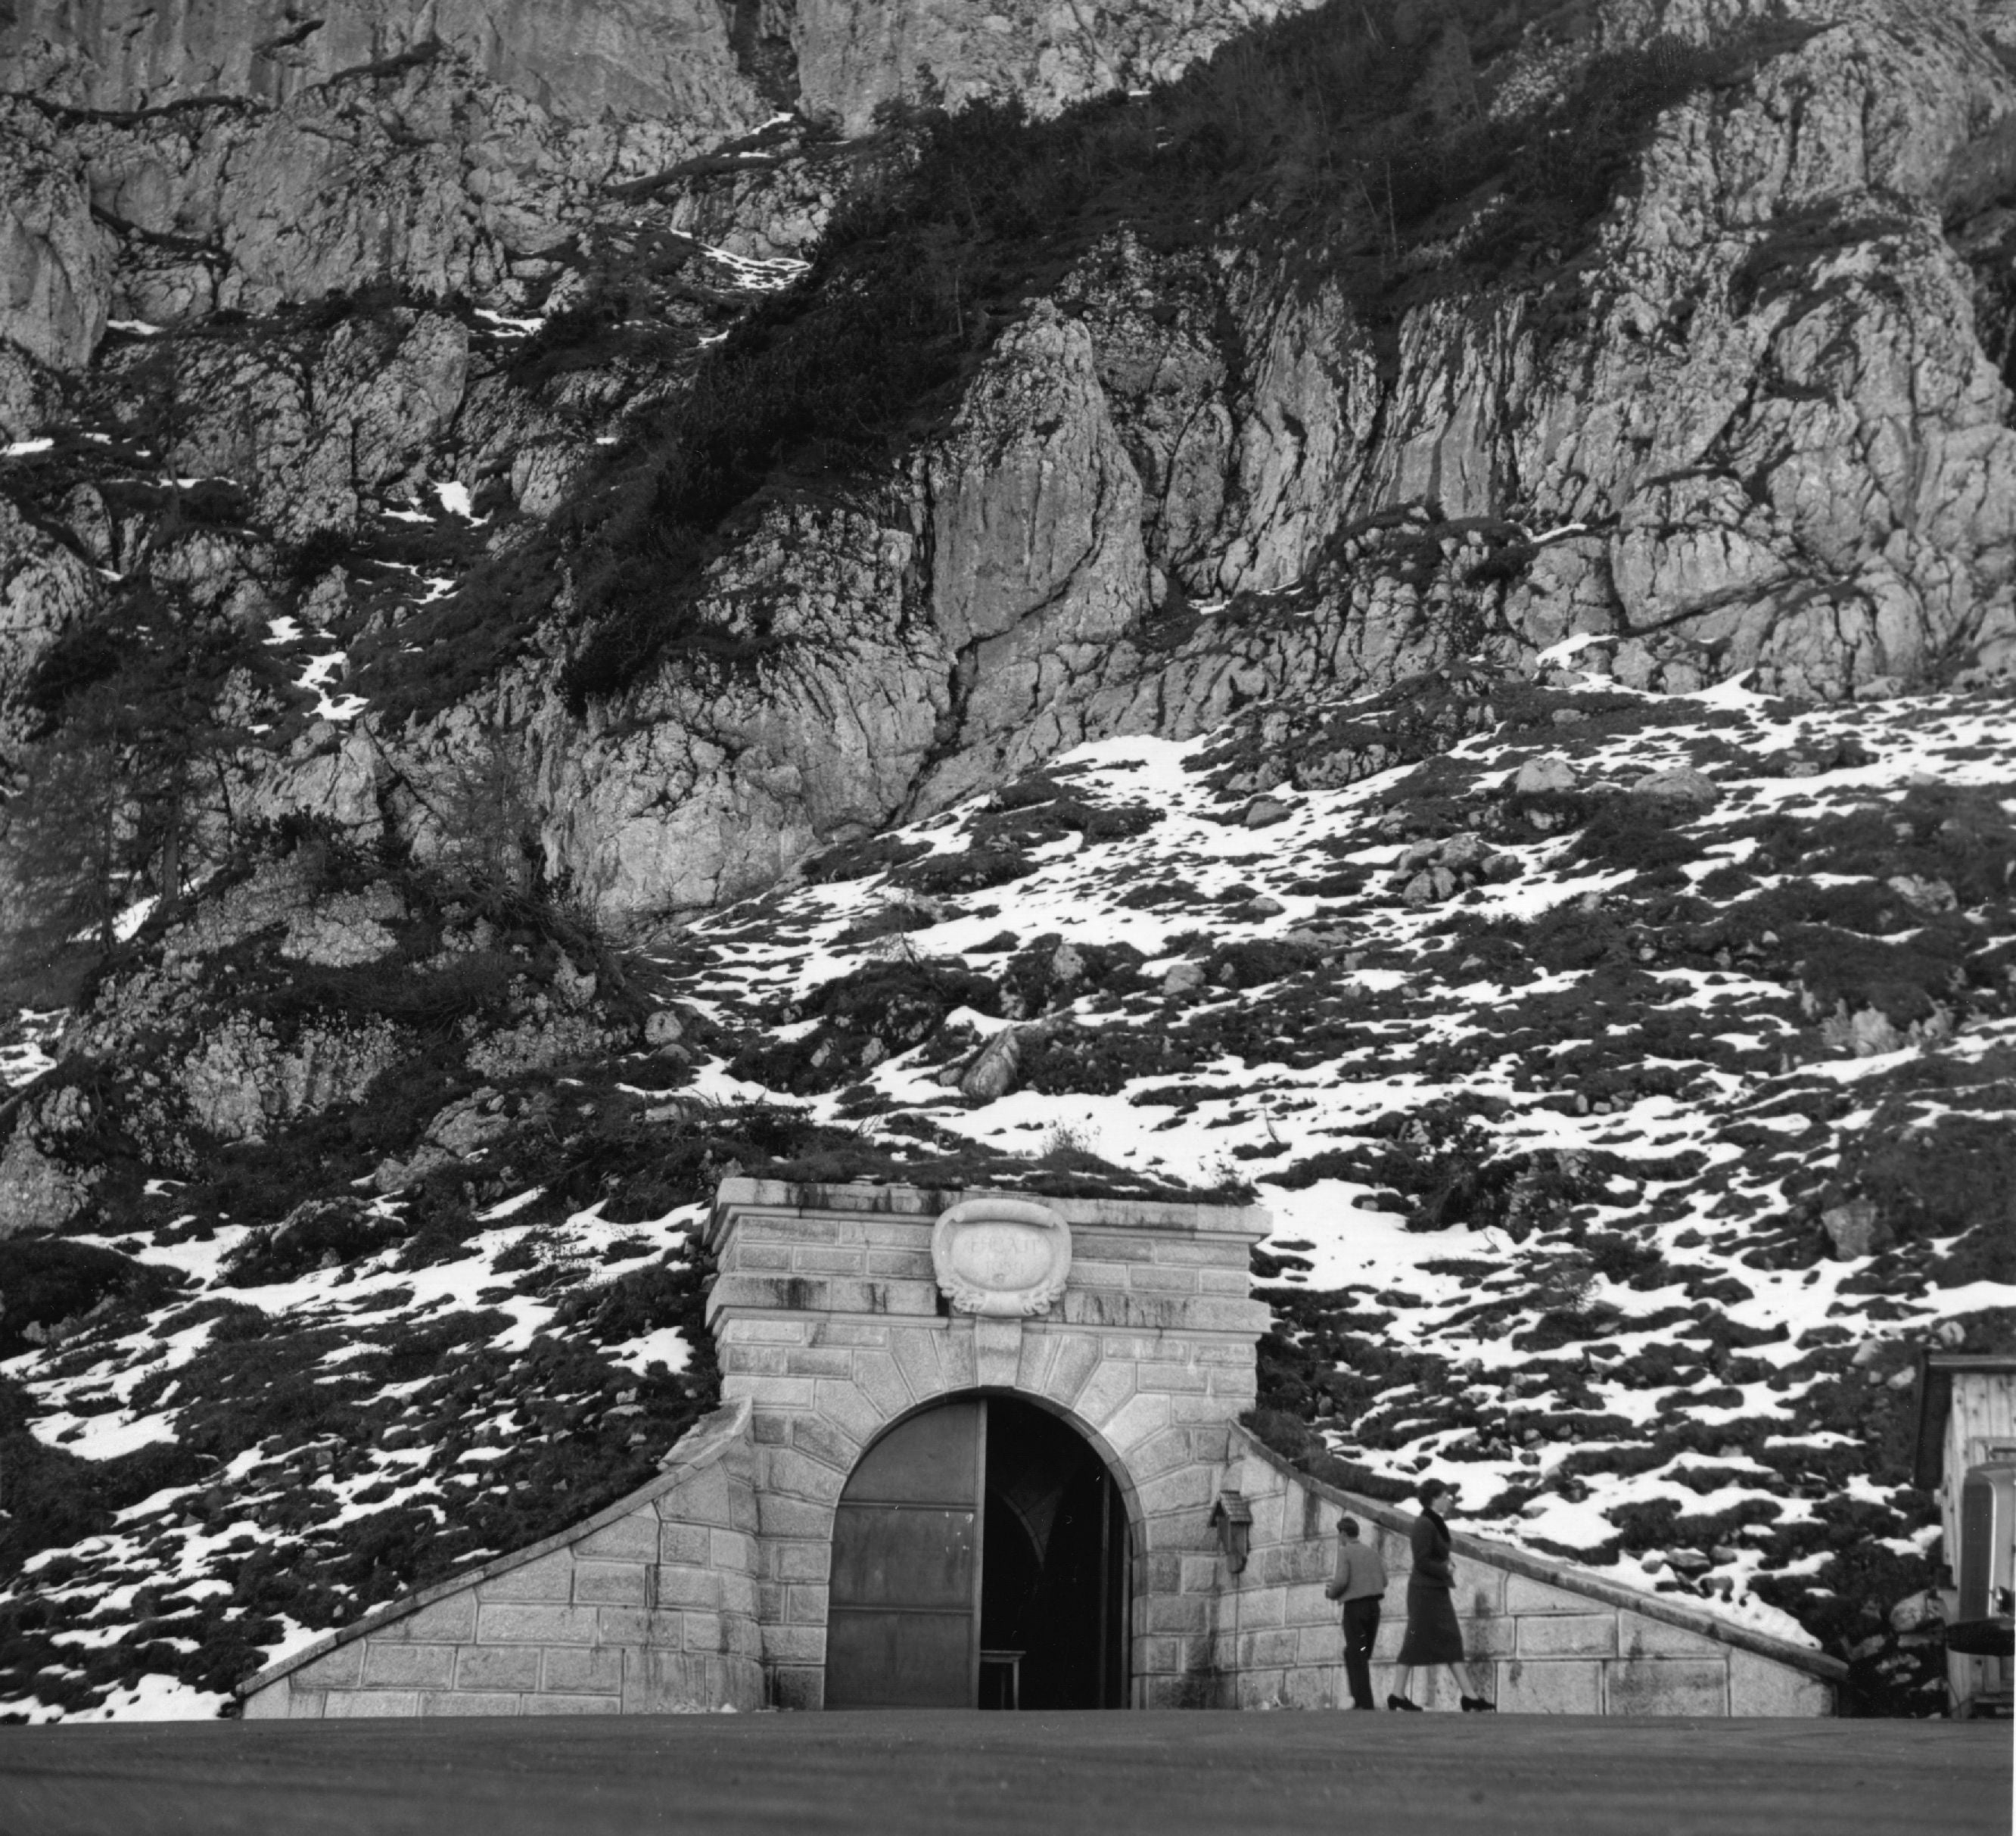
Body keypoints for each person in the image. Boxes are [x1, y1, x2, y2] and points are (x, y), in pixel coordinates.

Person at [1389, 1478, 1494, 1712]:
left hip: (1435, 1590)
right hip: (1425, 1591)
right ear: (1434, 1498)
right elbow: (1422, 1559)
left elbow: (1433, 1555)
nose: (1449, 1500)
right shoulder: (1424, 1523)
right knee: (1416, 1641)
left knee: (1450, 1640)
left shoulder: (1434, 1522)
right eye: (1446, 1496)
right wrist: (1443, 1568)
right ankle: (1397, 1695)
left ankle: (1469, 1696)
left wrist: (1445, 1563)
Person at [1324, 1514, 1387, 1710]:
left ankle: (1364, 1702)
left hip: (1355, 1608)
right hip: (1374, 1608)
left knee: (1356, 1653)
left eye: (1339, 1535)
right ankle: (1359, 1698)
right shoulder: (1372, 1553)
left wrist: (1331, 1593)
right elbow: (1384, 1580)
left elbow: (1342, 1580)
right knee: (1359, 1652)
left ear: (1343, 1534)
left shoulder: (1346, 1552)